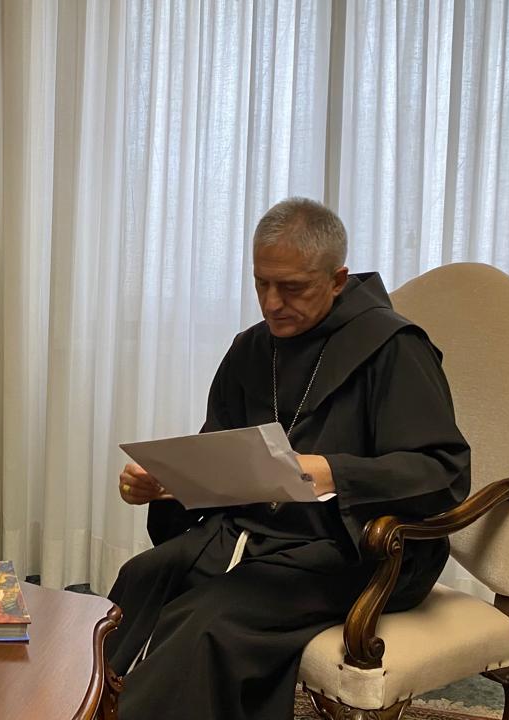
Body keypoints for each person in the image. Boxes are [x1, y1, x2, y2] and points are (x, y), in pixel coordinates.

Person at [107, 198, 471, 720]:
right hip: (254, 535)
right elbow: (219, 458)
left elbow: (444, 471)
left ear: (338, 279)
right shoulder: (251, 349)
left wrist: (335, 473)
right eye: (261, 283)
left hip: (356, 551)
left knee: (208, 620)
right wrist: (168, 486)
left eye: (292, 287)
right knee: (140, 580)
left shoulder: (393, 347)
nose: (272, 303)